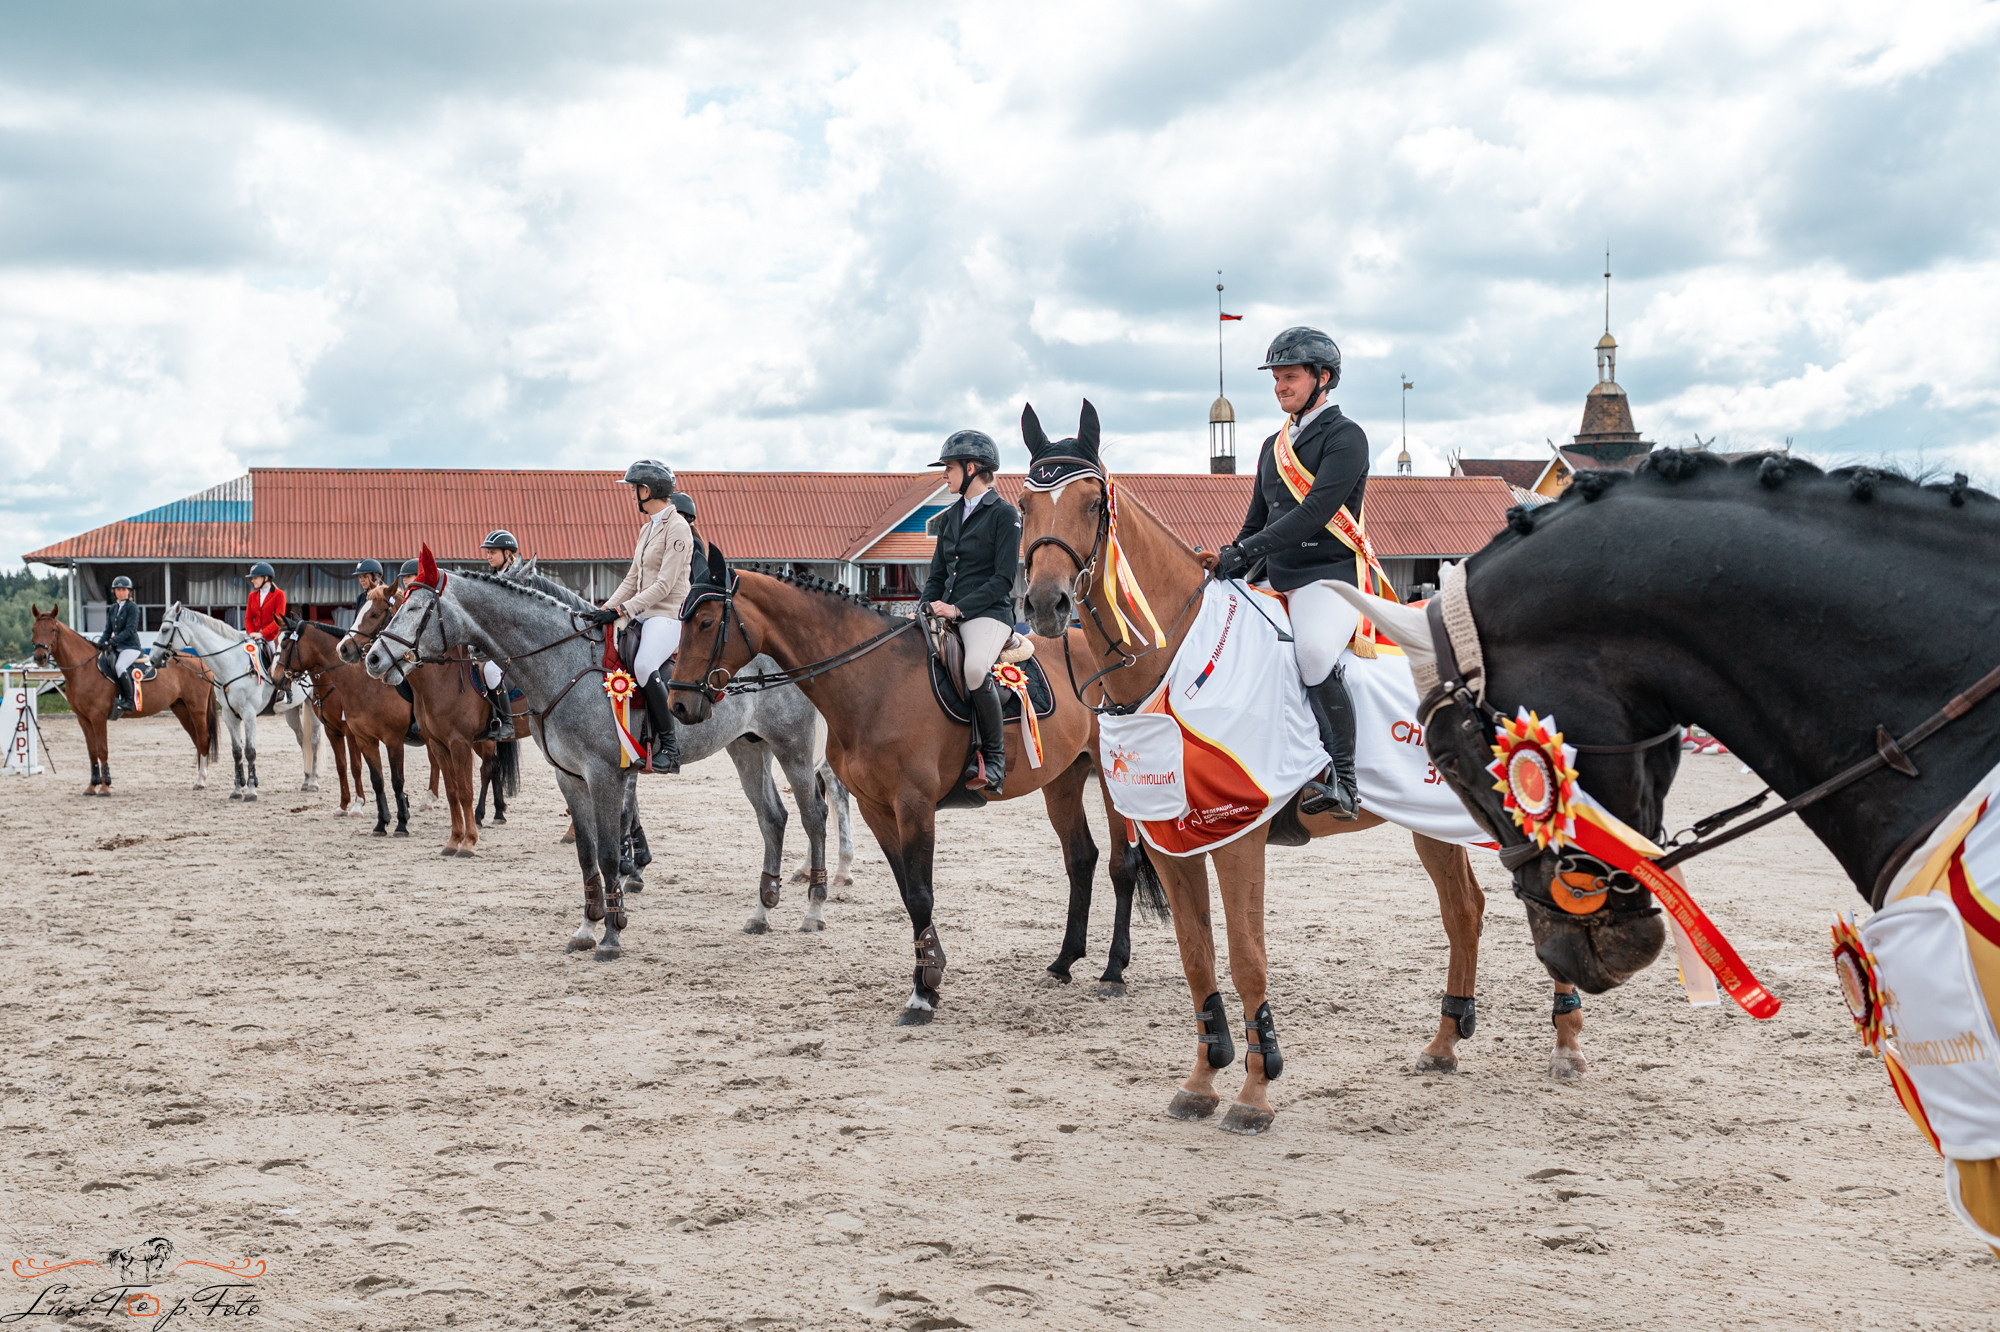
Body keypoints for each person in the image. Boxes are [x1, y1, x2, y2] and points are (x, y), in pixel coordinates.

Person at [1210, 326, 1369, 820]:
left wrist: (1246, 552)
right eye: (1277, 377)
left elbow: (1314, 512)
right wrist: (1230, 559)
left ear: (1323, 378)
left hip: (1325, 576)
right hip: (1274, 573)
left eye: (1291, 377)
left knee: (1315, 653)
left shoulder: (1347, 438)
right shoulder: (1269, 446)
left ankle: (1345, 780)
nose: (1280, 386)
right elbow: (1257, 520)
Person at [921, 429, 1021, 796]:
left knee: (975, 668)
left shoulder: (1004, 515)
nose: (944, 474)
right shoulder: (948, 518)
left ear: (972, 467)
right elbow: (937, 576)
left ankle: (993, 758)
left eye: (949, 467)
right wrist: (923, 609)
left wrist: (958, 608)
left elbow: (1003, 579)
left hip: (988, 614)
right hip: (946, 611)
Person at [583, 460, 693, 772]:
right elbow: (632, 580)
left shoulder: (678, 528)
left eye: (635, 489)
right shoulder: (647, 529)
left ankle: (670, 749)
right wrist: (605, 610)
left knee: (644, 665)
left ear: (647, 490)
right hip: (644, 613)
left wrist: (623, 610)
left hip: (668, 614)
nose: (633, 496)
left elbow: (664, 585)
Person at [474, 531, 520, 741]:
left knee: (491, 671)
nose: (488, 556)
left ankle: (507, 723)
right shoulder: (491, 579)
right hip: (494, 644)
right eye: (487, 552)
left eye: (492, 552)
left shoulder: (518, 578)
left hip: (515, 644)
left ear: (507, 553)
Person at [100, 575, 144, 719]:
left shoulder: (133, 607)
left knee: (119, 666)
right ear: (114, 591)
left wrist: (112, 642)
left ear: (129, 591)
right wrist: (99, 644)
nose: (121, 592)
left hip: (131, 646)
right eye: (118, 589)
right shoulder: (113, 608)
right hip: (117, 646)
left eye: (123, 589)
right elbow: (107, 630)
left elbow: (130, 630)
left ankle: (128, 701)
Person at [244, 562, 287, 682]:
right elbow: (248, 618)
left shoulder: (279, 595)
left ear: (266, 578)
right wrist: (251, 633)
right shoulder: (252, 596)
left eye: (255, 577)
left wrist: (262, 634)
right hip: (253, 635)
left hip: (271, 637)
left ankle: (284, 689)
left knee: (278, 661)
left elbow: (278, 619)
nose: (252, 580)